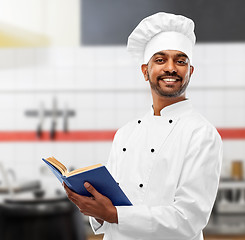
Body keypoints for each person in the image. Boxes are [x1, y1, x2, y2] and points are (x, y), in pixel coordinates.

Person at [64, 12, 222, 240]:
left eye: (180, 61)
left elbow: (189, 219)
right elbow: (110, 210)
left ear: (190, 72)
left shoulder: (201, 133)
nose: (171, 68)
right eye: (160, 60)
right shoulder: (125, 134)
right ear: (145, 71)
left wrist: (114, 214)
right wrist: (95, 210)